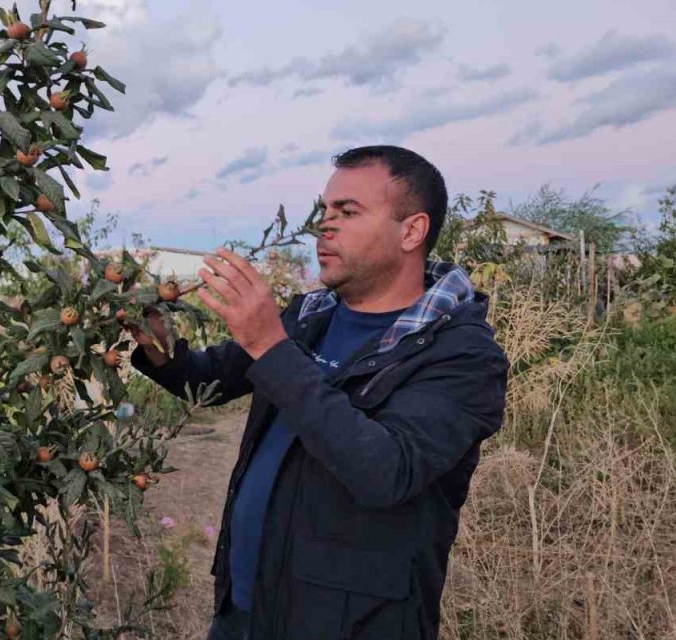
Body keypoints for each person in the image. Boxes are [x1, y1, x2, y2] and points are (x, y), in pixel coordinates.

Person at [127, 146, 509, 640]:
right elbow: (212, 379)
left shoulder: (460, 355)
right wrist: (160, 351)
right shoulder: (311, 316)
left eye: (348, 213)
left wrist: (269, 343)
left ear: (411, 231)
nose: (323, 228)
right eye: (324, 212)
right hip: (245, 612)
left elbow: (385, 470)